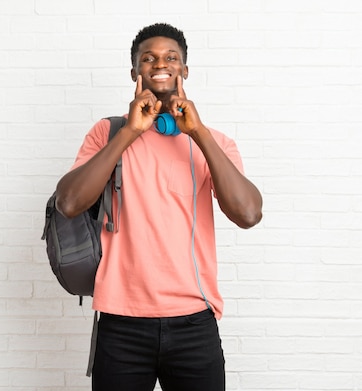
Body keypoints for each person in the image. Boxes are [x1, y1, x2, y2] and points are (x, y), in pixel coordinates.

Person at [54, 23, 263, 391]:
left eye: (171, 58)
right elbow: (69, 202)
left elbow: (248, 214)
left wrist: (197, 132)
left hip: (194, 322)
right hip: (121, 323)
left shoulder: (215, 141)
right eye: (147, 58)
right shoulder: (108, 133)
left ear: (184, 70)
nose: (159, 63)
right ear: (135, 72)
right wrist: (130, 132)